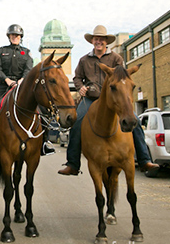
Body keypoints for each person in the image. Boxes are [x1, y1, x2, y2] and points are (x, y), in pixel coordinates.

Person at [58, 25, 159, 176]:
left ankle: (144, 160)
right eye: (96, 39)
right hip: (91, 99)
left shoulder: (116, 58)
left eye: (101, 39)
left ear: (106, 42)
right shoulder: (84, 60)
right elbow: (77, 77)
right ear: (92, 41)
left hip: (113, 100)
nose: (99, 42)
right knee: (77, 122)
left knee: (135, 121)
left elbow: (124, 77)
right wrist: (80, 87)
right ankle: (72, 164)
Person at [0, 24, 56, 155]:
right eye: (12, 35)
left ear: (20, 37)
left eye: (17, 35)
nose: (14, 37)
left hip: (22, 86)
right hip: (4, 85)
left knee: (42, 109)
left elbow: (29, 68)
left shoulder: (26, 53)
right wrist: (7, 80)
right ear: (9, 36)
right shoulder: (1, 50)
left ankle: (44, 142)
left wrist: (22, 80)